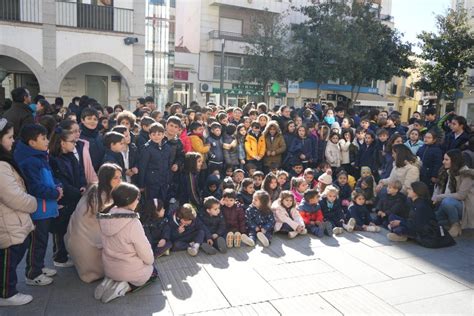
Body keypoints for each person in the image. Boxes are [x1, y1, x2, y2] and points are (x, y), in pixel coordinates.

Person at [14, 124, 62, 286]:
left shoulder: (40, 156)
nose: (47, 141)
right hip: (38, 209)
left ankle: (38, 267)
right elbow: (35, 187)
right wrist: (55, 193)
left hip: (45, 207)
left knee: (41, 241)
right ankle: (33, 274)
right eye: (43, 138)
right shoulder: (30, 161)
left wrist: (57, 186)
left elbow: (50, 178)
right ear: (32, 142)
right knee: (37, 242)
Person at [96, 183, 156, 303]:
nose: (138, 201)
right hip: (127, 269)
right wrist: (150, 261)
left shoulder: (105, 216)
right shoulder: (133, 223)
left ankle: (110, 280)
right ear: (130, 201)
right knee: (153, 272)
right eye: (137, 198)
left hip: (108, 266)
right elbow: (146, 254)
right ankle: (124, 287)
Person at [0, 119, 37, 306]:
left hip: (11, 219)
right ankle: (7, 293)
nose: (12, 141)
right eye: (9, 137)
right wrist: (33, 203)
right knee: (9, 259)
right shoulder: (1, 166)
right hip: (7, 221)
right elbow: (13, 196)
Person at [65, 163, 122, 283]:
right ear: (107, 179)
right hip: (89, 250)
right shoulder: (103, 197)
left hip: (74, 243)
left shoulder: (94, 189)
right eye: (115, 178)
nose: (119, 181)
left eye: (120, 177)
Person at [48, 127, 86, 267]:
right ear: (62, 143)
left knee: (69, 227)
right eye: (72, 141)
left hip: (74, 197)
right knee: (60, 229)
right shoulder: (52, 159)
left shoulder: (70, 156)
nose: (75, 144)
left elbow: (80, 172)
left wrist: (82, 185)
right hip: (63, 199)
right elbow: (59, 181)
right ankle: (59, 257)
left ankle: (65, 253)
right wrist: (77, 191)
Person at [432, 149, 474, 237]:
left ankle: (456, 225)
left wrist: (440, 197)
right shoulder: (449, 171)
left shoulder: (467, 174)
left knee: (447, 202)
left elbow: (461, 195)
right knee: (433, 220)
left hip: (467, 206)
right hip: (454, 204)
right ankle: (452, 222)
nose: (443, 162)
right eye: (444, 159)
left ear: (454, 161)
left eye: (446, 160)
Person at [138, 123, 173, 202]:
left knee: (163, 201)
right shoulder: (146, 148)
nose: (156, 136)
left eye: (159, 134)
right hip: (152, 182)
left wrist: (169, 179)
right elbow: (142, 167)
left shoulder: (167, 147)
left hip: (164, 180)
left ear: (163, 135)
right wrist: (141, 184)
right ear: (150, 136)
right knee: (152, 203)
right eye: (153, 134)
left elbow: (169, 164)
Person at [80, 108, 105, 172]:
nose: (92, 121)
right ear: (82, 120)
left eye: (95, 119)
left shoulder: (100, 136)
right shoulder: (78, 137)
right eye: (89, 118)